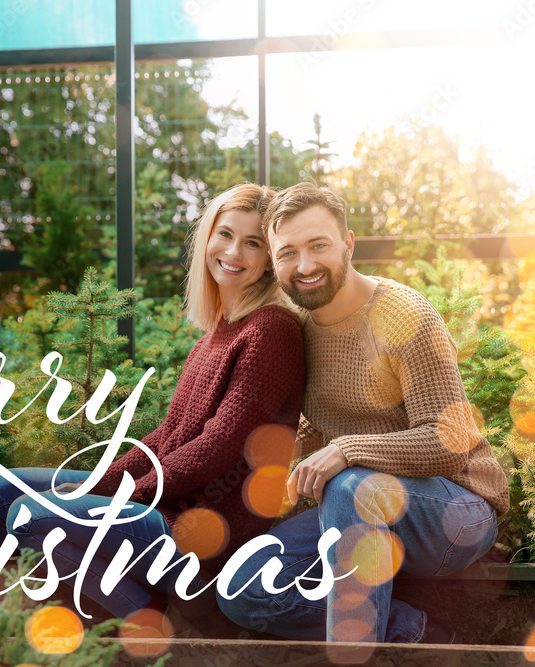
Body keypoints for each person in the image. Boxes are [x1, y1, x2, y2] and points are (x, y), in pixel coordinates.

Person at [0, 182, 306, 623]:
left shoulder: (271, 330)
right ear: (207, 238)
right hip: (166, 506)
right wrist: (104, 484)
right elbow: (168, 436)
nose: (234, 251)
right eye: (225, 234)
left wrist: (128, 494)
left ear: (267, 262)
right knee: (1, 488)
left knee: (27, 516)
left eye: (253, 242)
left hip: (201, 528)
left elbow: (218, 447)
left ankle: (145, 612)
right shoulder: (214, 336)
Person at [217, 183, 509, 643]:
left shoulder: (404, 315)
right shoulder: (299, 328)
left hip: (454, 512)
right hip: (353, 507)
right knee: (245, 587)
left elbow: (449, 443)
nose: (306, 265)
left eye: (318, 246)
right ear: (274, 261)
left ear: (348, 244)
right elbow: (322, 419)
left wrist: (346, 451)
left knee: (352, 484)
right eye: (288, 252)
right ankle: (404, 627)